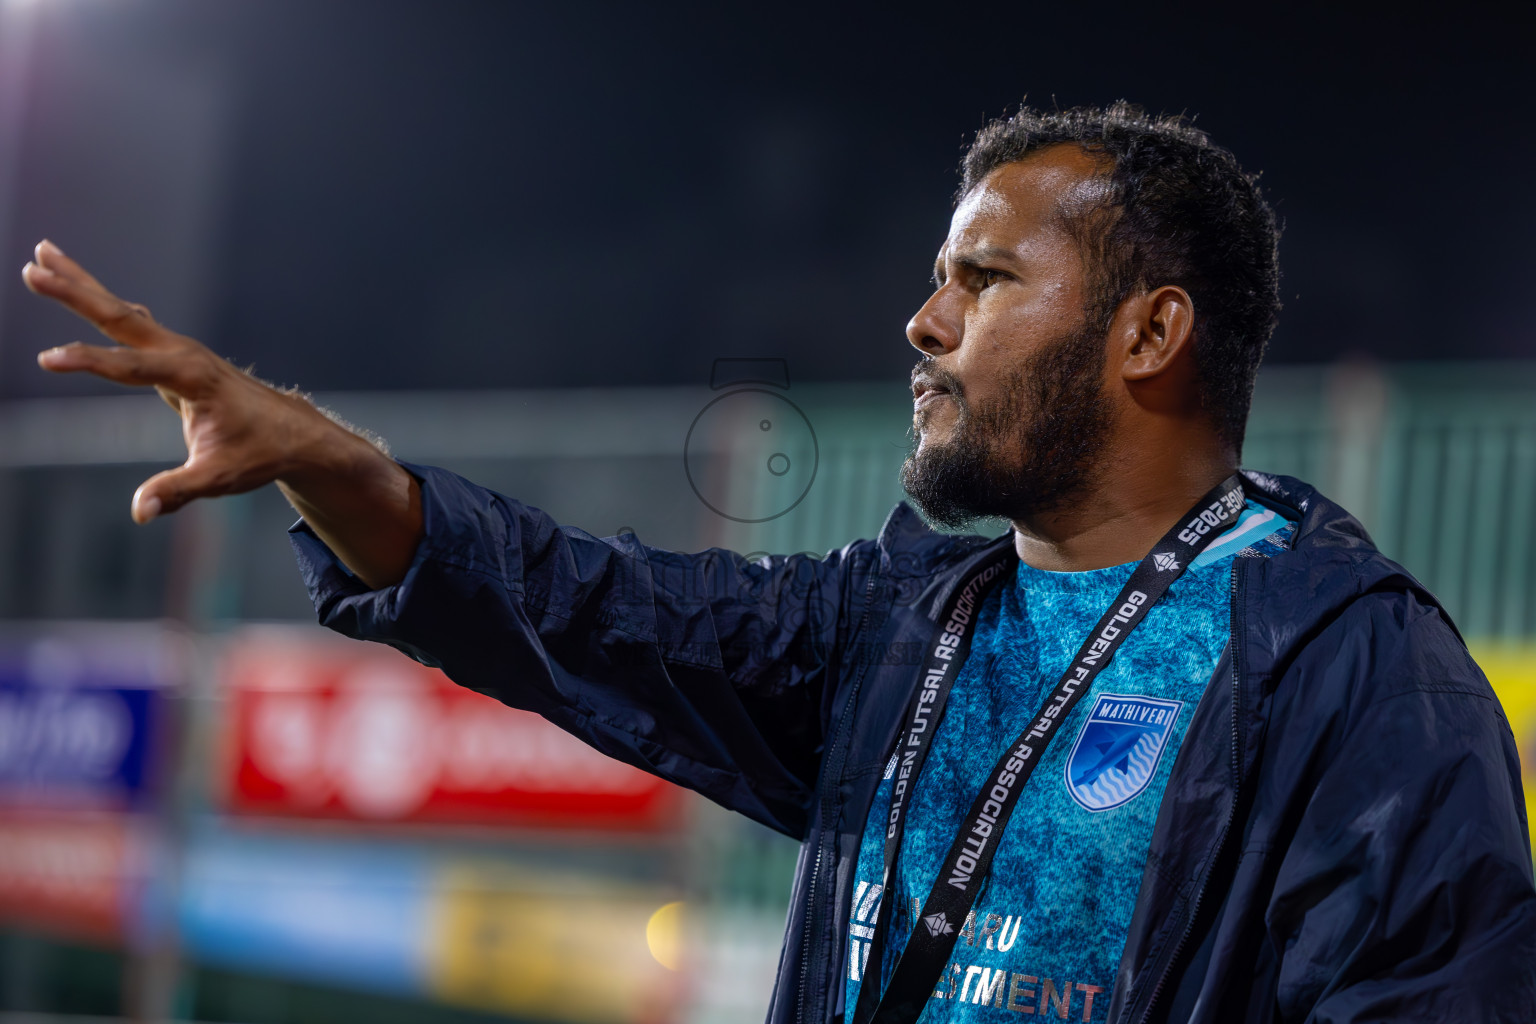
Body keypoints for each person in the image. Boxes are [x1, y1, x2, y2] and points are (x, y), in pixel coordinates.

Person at [22, 104, 1536, 1023]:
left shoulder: (1342, 664)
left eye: (983, 280)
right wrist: (331, 462)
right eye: (936, 278)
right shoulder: (903, 628)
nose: (921, 324)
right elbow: (580, 609)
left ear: (1150, 334)